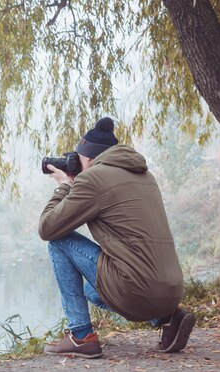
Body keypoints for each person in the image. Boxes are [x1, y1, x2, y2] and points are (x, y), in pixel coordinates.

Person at [38, 117, 195, 359]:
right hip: (172, 289)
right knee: (93, 292)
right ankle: (167, 317)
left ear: (89, 158)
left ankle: (81, 335)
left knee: (59, 241)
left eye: (77, 158)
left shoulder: (93, 179)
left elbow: (48, 228)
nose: (75, 164)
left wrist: (64, 187)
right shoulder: (145, 175)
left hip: (135, 287)